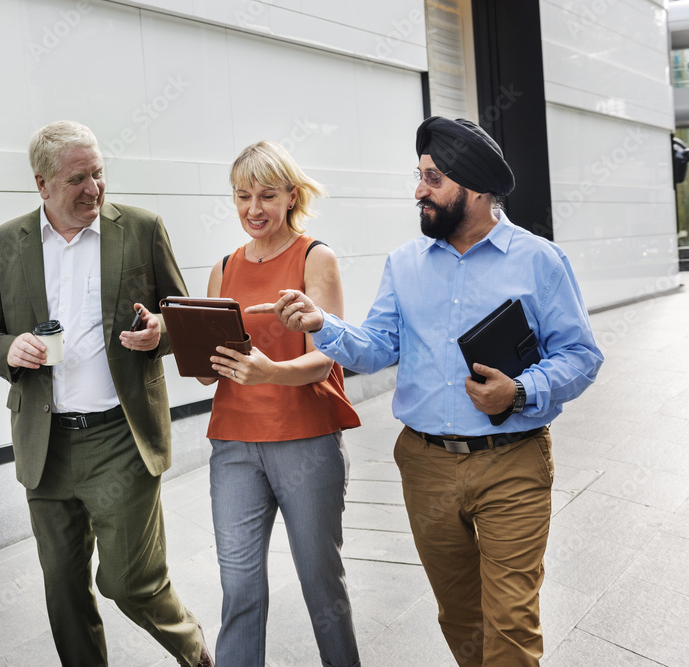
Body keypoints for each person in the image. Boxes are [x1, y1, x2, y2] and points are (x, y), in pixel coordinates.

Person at [250, 117, 603, 666]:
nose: (419, 191)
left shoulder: (539, 260)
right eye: (418, 176)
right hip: (426, 464)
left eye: (434, 178)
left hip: (513, 461)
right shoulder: (405, 263)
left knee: (510, 619)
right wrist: (321, 323)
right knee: (459, 615)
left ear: (479, 188)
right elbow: (377, 348)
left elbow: (582, 356)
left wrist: (521, 391)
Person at [0, 120, 212, 667]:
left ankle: (194, 651)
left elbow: (183, 320)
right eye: (79, 178)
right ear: (42, 184)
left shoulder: (142, 229)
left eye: (99, 173)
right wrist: (9, 349)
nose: (95, 189)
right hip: (44, 444)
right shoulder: (5, 243)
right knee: (64, 590)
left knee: (129, 583)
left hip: (120, 439)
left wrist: (159, 334)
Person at [199, 140, 362, 667]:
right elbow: (210, 369)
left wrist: (270, 371)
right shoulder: (223, 268)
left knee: (320, 584)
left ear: (292, 195)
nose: (253, 209)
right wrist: (176, 344)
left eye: (266, 195)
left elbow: (326, 358)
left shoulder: (316, 257)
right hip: (234, 445)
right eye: (242, 196)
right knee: (239, 588)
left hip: (305, 442)